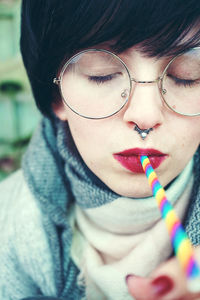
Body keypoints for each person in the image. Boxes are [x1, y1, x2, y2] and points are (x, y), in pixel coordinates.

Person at [1, 0, 200, 299]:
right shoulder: (8, 222)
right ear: (56, 94)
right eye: (101, 74)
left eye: (187, 75)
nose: (145, 116)